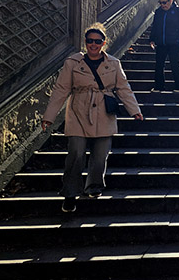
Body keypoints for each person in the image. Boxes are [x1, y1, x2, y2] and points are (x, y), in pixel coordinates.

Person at [41, 23, 143, 213]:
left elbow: (123, 88)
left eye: (97, 41)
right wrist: (49, 116)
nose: (93, 44)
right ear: (85, 42)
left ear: (104, 43)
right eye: (90, 41)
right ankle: (70, 193)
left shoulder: (114, 63)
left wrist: (134, 109)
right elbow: (61, 89)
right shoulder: (72, 62)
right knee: (76, 153)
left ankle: (94, 186)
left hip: (104, 110)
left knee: (101, 155)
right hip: (78, 110)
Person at [149, 0, 179, 92]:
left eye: (164, 2)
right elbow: (155, 27)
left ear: (171, 0)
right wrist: (152, 39)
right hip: (161, 43)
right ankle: (159, 86)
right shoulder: (158, 12)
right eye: (160, 2)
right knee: (159, 65)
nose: (162, 5)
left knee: (175, 64)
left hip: (175, 43)